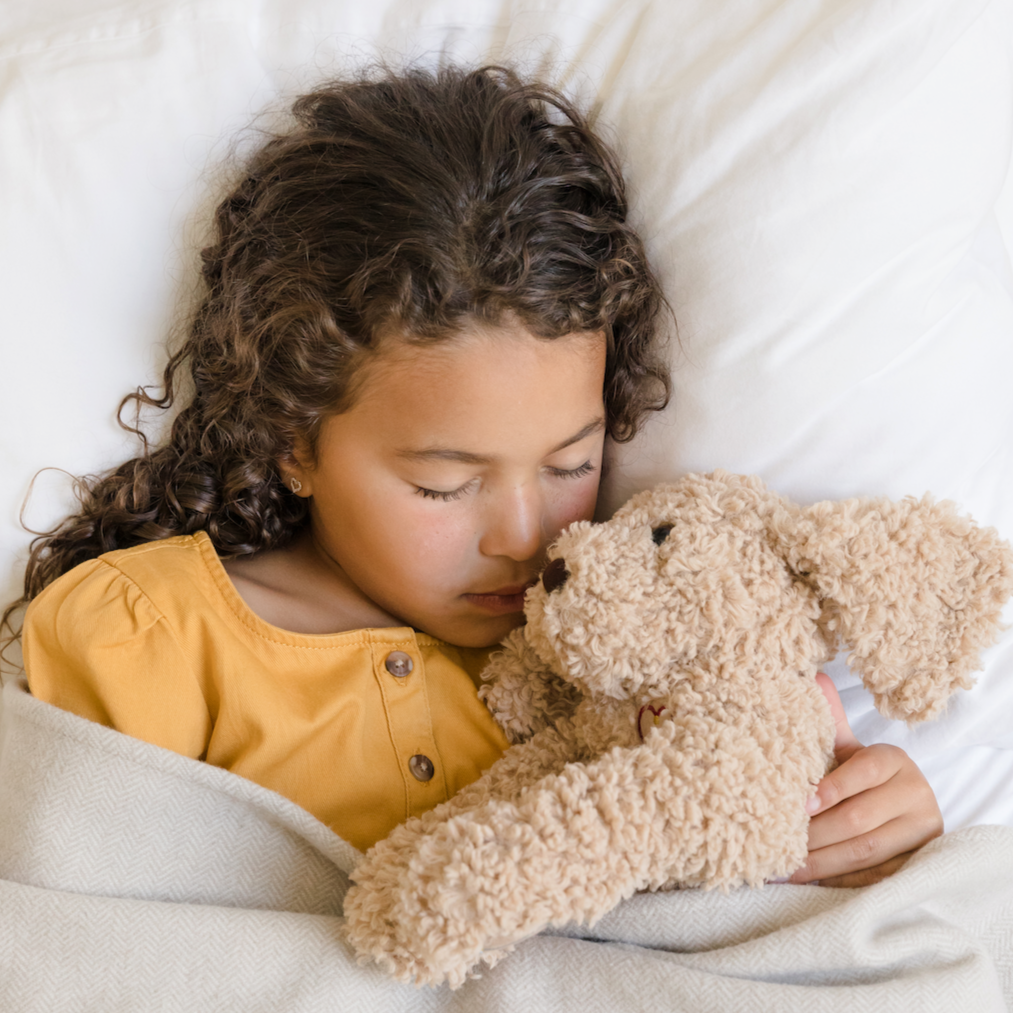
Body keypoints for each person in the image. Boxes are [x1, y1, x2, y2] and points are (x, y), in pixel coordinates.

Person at [2, 64, 940, 885]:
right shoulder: (147, 634)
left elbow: (733, 872)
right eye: (444, 485)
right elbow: (87, 940)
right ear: (292, 438)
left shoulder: (613, 656)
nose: (525, 535)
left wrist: (871, 831)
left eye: (572, 462)